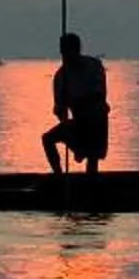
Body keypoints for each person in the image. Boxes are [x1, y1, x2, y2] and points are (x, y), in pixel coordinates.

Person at [41, 31, 109, 174]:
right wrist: (62, 113)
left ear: (77, 50)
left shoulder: (94, 66)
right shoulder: (61, 76)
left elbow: (99, 95)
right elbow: (59, 108)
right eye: (63, 51)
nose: (65, 55)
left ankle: (91, 181)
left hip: (96, 122)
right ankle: (58, 176)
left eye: (68, 51)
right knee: (48, 139)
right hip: (78, 123)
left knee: (92, 155)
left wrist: (76, 101)